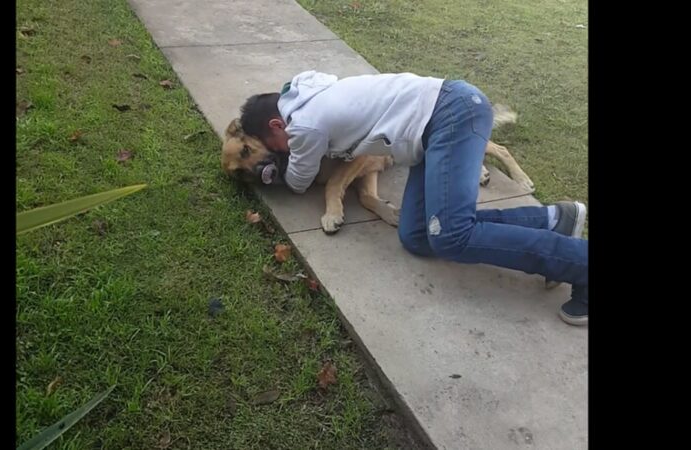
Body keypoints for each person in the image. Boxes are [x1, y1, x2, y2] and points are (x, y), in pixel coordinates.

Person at [239, 71, 588, 325]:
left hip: (454, 116)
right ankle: (555, 220)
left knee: (451, 235)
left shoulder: (305, 124)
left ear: (276, 126)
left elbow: (299, 180)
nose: (282, 154)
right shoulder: (305, 94)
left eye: (275, 149)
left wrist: (274, 172)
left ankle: (579, 264)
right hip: (433, 131)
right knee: (418, 235)